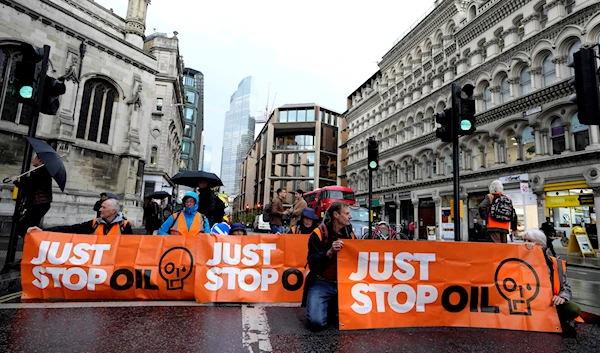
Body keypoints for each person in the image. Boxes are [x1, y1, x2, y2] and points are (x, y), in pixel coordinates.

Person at [303, 202, 354, 331]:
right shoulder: (318, 233)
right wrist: (329, 252)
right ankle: (329, 305)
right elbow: (313, 263)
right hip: (322, 282)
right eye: (347, 213)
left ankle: (331, 306)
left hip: (345, 283)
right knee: (316, 323)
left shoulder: (350, 233)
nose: (350, 216)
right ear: (336, 215)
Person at [522, 229, 581, 337]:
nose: (525, 244)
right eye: (524, 240)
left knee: (573, 309)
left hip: (549, 303)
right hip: (525, 304)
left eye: (530, 241)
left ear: (541, 245)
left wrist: (561, 297)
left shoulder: (555, 264)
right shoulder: (519, 260)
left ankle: (561, 320)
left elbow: (566, 287)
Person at [27, 199, 132, 235]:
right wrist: (43, 231)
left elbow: (131, 249)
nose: (100, 209)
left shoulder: (125, 226)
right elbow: (71, 229)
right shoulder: (95, 223)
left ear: (113, 211)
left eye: (104, 207)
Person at [12, 155, 53, 238]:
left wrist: (15, 181)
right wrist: (29, 176)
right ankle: (32, 243)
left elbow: (29, 186)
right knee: (29, 226)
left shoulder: (41, 172)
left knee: (24, 227)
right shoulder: (40, 172)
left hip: (39, 204)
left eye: (35, 158)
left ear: (40, 161)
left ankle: (33, 244)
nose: (33, 160)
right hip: (40, 204)